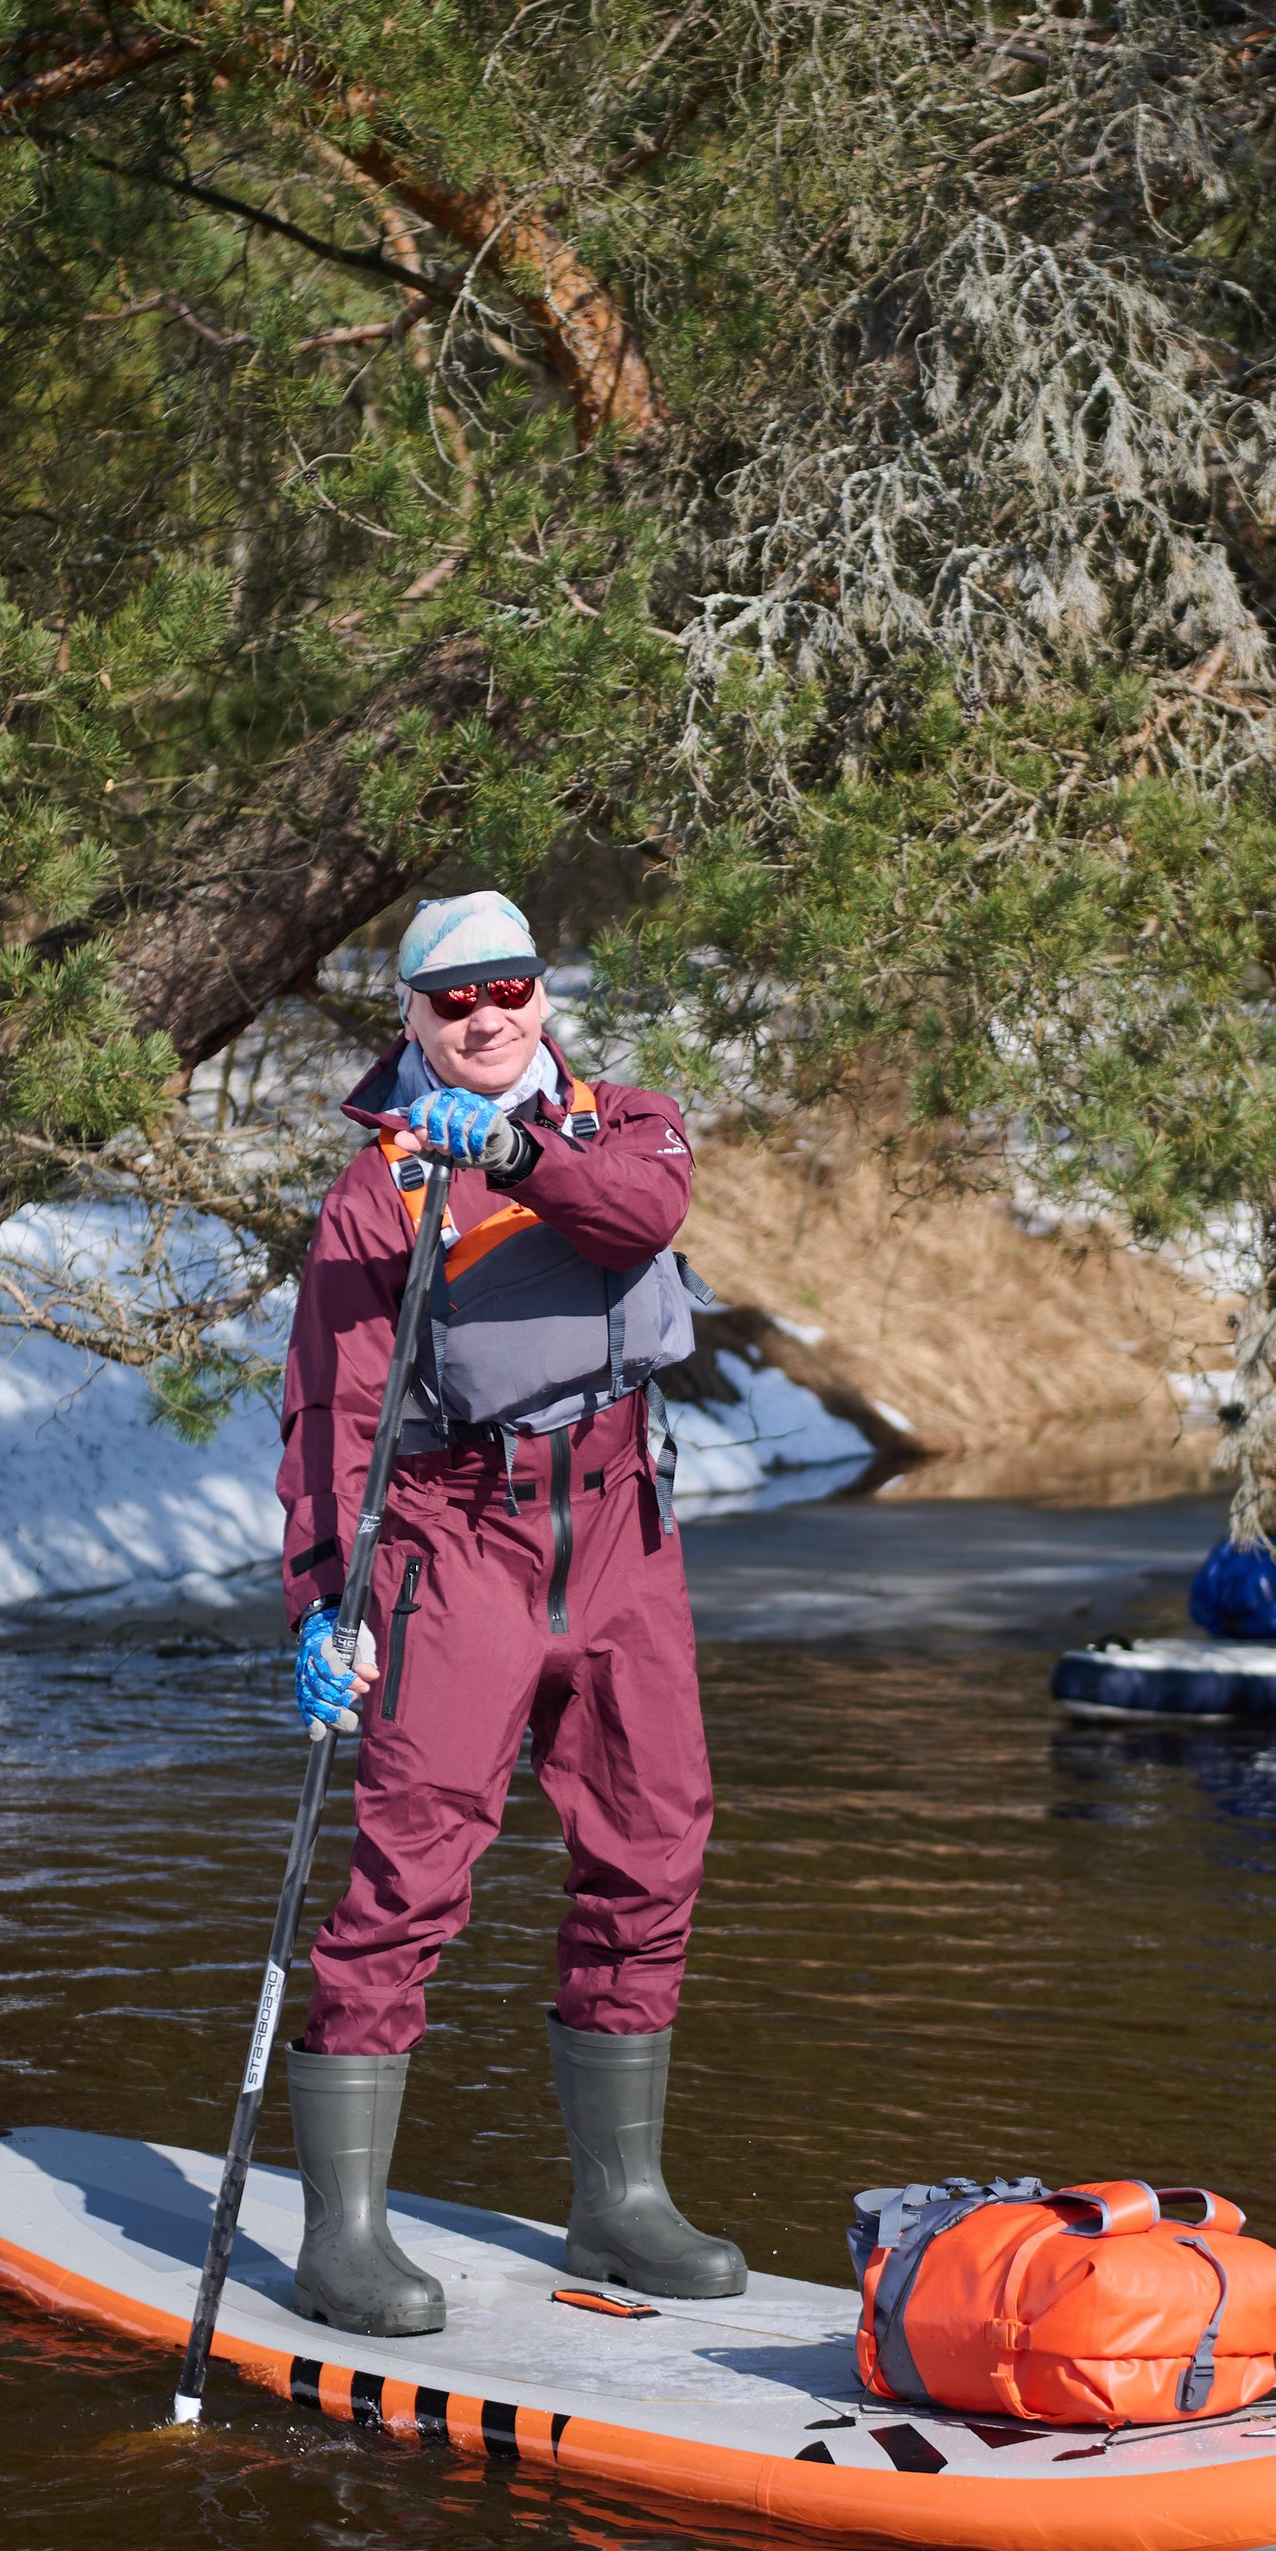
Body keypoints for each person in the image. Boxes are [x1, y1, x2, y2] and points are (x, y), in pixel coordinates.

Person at [274, 888, 745, 2337]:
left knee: (654, 1846)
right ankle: (344, 2235)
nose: (486, 1017)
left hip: (618, 1532)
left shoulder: (630, 1122)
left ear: (545, 993)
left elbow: (640, 1217)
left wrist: (527, 1152)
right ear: (409, 1019)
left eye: (510, 988)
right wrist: (319, 1605)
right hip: (449, 1545)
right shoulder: (377, 1192)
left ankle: (621, 2203)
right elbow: (328, 1420)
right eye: (451, 1000)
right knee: (410, 1877)